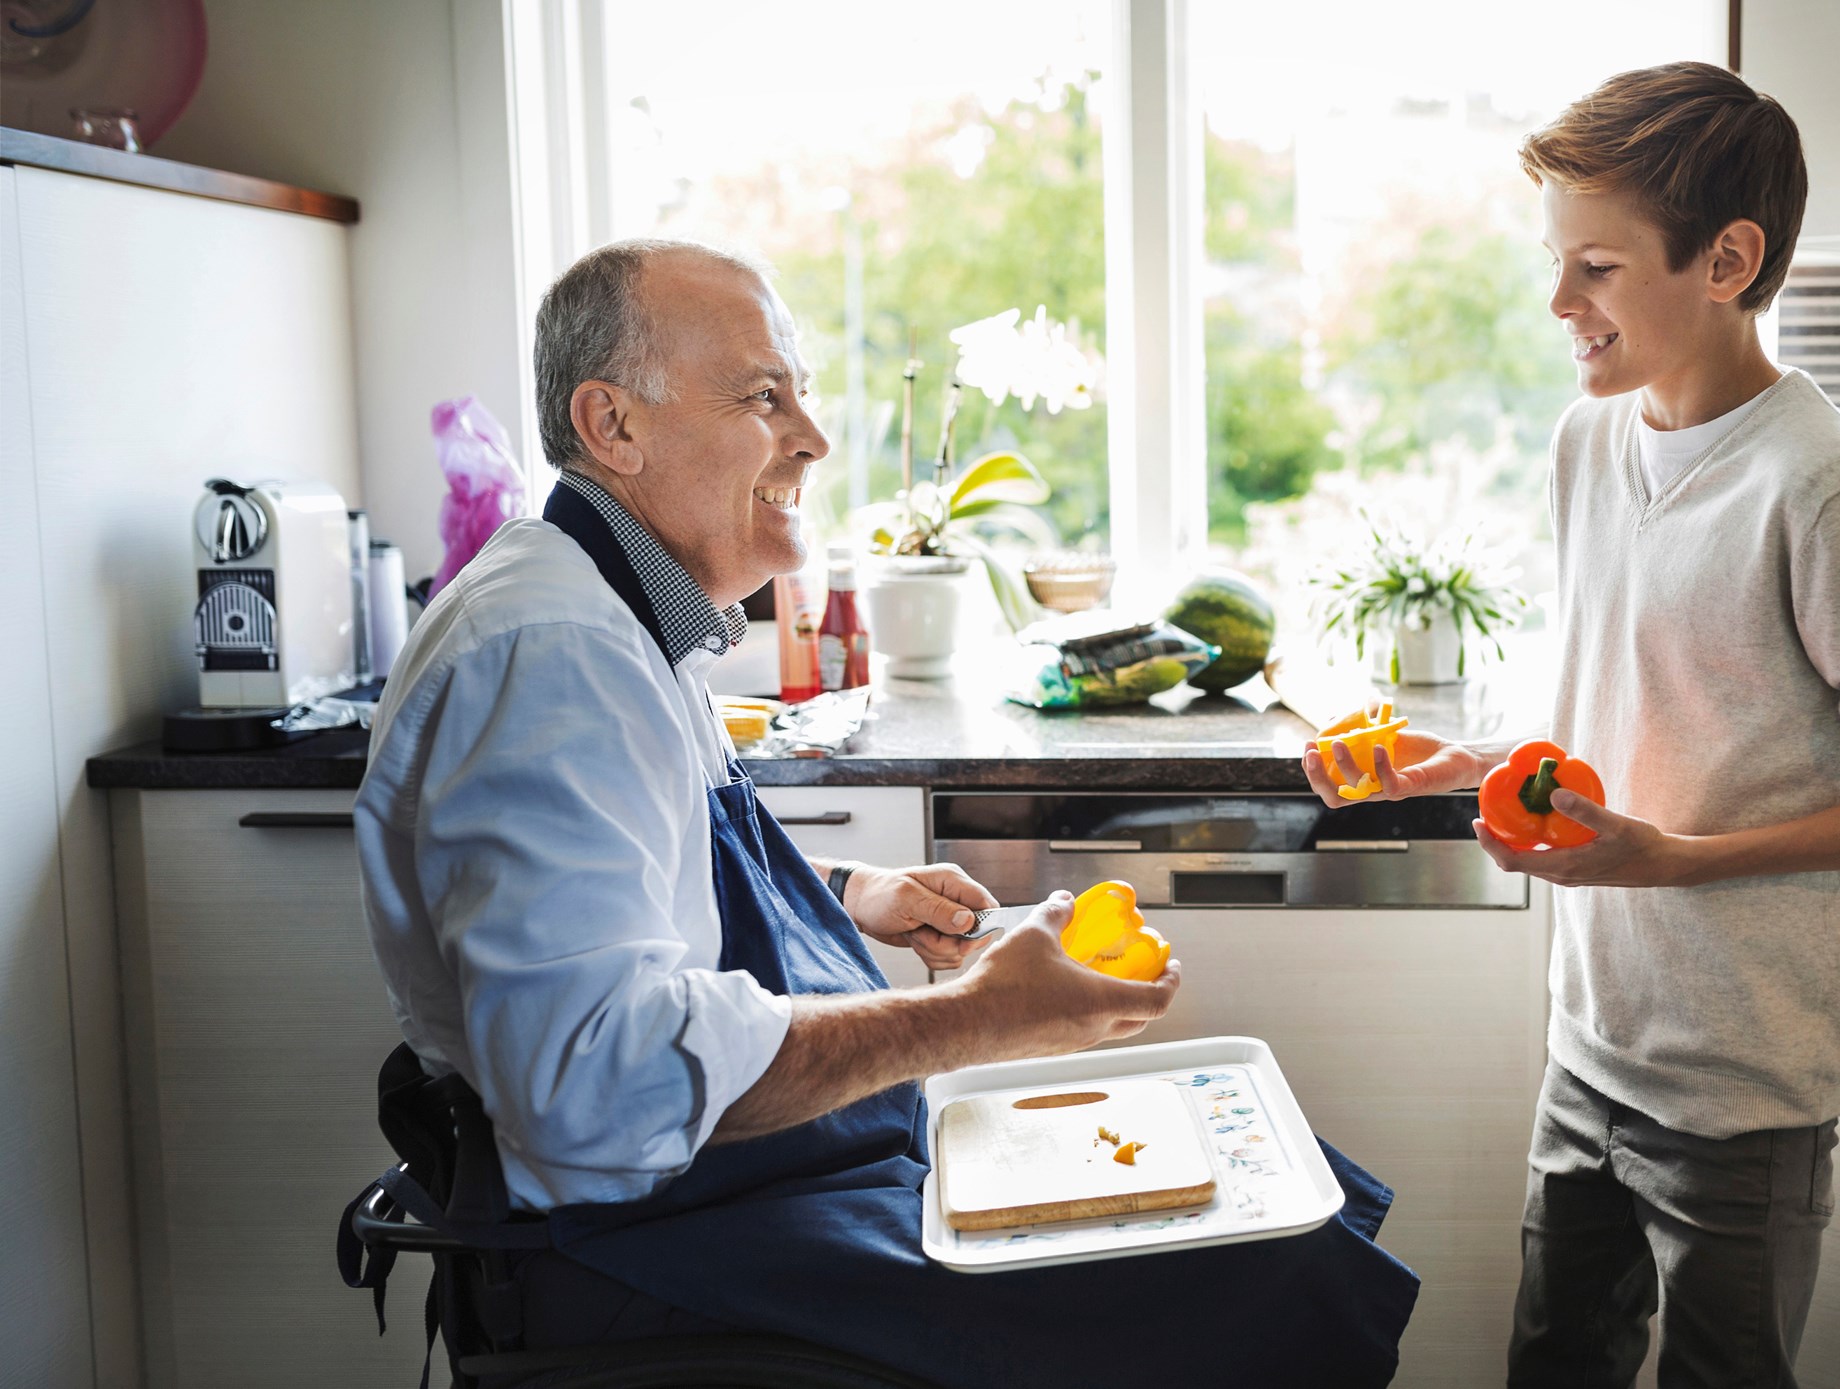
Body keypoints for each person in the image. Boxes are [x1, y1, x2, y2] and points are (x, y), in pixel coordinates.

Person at [357, 237, 1417, 1386]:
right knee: (1270, 1274)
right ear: (614, 427)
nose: (811, 436)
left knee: (1277, 1188)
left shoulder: (614, 612)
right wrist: (974, 1019)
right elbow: (596, 1087)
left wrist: (855, 894)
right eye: (765, 397)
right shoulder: (554, 657)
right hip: (657, 1256)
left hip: (753, 1193)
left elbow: (638, 893)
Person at [1303, 63, 1840, 1389]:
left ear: (1728, 261)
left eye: (1597, 269)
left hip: (1747, 1087)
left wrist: (1673, 861)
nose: (1559, 304)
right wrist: (1465, 761)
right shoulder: (1591, 441)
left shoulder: (1822, 488)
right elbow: (1618, 701)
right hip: (1592, 1040)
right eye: (1557, 264)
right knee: (1552, 1364)